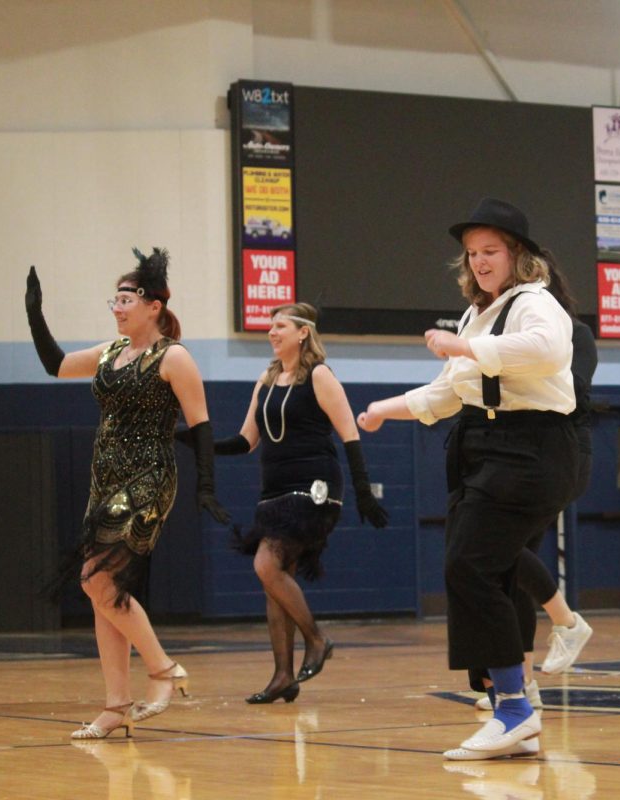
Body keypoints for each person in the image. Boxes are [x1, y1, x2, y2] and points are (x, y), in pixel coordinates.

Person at [357, 198, 579, 761]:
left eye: (491, 252)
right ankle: (513, 702)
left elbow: (549, 351)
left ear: (517, 255)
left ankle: (514, 709)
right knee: (486, 568)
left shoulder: (535, 301)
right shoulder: (476, 314)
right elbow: (448, 391)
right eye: (472, 254)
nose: (479, 262)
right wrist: (385, 407)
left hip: (532, 449)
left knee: (469, 564)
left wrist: (467, 347)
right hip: (487, 448)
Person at [24, 250, 230, 739]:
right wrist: (35, 313)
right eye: (113, 299)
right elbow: (55, 364)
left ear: (153, 305)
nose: (117, 307)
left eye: (126, 299)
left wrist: (205, 486)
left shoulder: (174, 356)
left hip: (149, 479)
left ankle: (162, 669)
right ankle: (116, 704)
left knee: (98, 581)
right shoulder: (110, 351)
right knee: (99, 590)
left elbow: (200, 424)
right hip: (105, 480)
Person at [193, 302, 388, 704]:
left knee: (265, 564)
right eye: (271, 325)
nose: (272, 331)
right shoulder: (264, 380)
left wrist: (364, 492)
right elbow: (246, 440)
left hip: (314, 487)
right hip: (275, 490)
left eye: (280, 325)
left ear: (303, 333)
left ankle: (317, 639)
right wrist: (198, 443)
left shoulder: (319, 375)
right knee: (274, 582)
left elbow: (350, 434)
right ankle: (283, 675)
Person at [473, 255, 595, 713]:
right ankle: (522, 681)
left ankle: (565, 623)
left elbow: (574, 392)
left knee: (501, 550)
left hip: (560, 451)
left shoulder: (572, 334)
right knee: (503, 561)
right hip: (510, 451)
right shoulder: (496, 330)